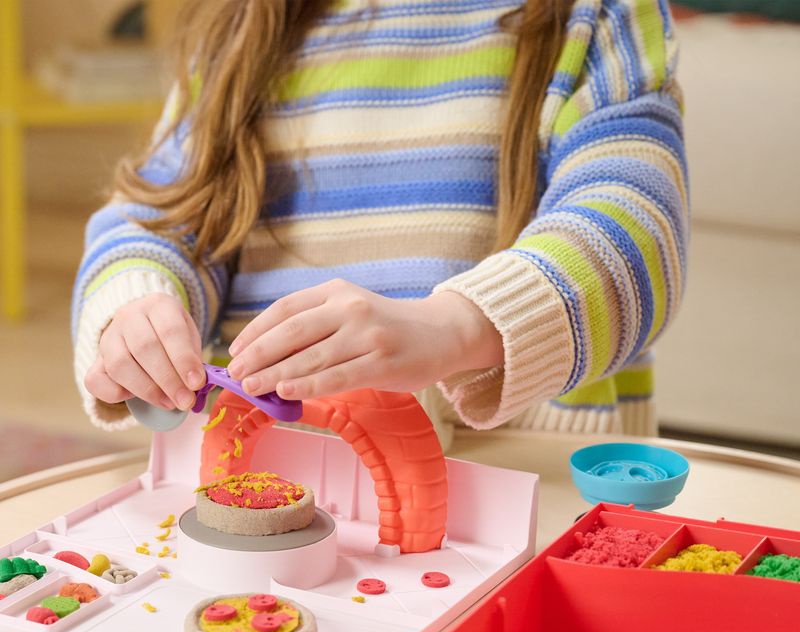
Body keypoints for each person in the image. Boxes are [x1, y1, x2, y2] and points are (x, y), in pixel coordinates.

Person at [72, 0, 687, 449]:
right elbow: (160, 217)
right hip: (271, 468)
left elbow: (634, 220)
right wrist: (137, 306)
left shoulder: (593, 15)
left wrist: (455, 328)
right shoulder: (243, 27)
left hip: (524, 459)